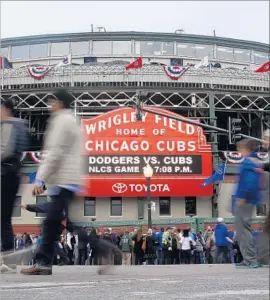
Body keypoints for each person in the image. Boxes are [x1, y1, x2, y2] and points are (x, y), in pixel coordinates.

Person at [21, 89, 82, 275]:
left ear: (60, 102)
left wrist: (40, 179)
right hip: (67, 179)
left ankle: (43, 263)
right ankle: (44, 263)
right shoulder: (72, 120)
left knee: (50, 224)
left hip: (64, 179)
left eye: (52, 101)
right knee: (56, 224)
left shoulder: (61, 121)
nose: (50, 105)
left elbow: (55, 153)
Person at [1, 99, 29, 274]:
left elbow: (4, 150)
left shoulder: (9, 125)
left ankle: (8, 260)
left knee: (3, 218)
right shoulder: (20, 126)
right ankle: (8, 259)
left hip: (6, 174)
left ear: (6, 109)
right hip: (13, 174)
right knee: (5, 218)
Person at [234, 139, 262, 268]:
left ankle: (251, 260)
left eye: (240, 149)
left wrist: (242, 197)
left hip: (244, 200)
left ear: (246, 149)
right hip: (249, 199)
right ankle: (247, 259)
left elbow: (249, 182)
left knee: (244, 231)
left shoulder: (248, 162)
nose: (239, 151)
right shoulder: (254, 162)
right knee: (243, 230)